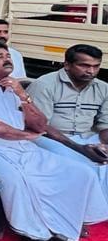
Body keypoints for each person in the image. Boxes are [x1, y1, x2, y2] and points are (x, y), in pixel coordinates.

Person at [0, 42, 108, 241]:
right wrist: (26, 136)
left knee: (79, 172)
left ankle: (60, 229)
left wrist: (23, 97)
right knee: (16, 180)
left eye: (8, 55)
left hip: (21, 147)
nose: (6, 59)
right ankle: (33, 236)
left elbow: (39, 125)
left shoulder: (13, 89)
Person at [29, 44, 108, 206]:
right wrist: (79, 148)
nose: (91, 71)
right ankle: (79, 213)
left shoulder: (103, 88)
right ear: (67, 65)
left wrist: (105, 145)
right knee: (82, 166)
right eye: (84, 65)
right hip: (49, 139)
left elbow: (104, 125)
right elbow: (41, 126)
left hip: (86, 137)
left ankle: (100, 211)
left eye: (96, 66)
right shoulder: (44, 84)